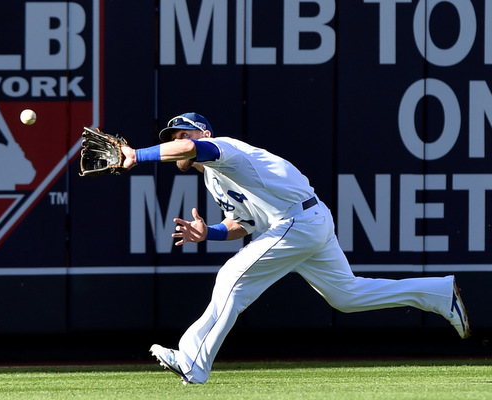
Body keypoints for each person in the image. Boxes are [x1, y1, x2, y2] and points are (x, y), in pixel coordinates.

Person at [120, 112, 470, 385]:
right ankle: (438, 293)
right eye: (172, 136)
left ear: (205, 134)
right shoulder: (214, 178)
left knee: (232, 276)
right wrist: (208, 233)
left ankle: (193, 360)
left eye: (184, 132)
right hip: (305, 221)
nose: (178, 140)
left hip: (298, 220)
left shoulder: (224, 148)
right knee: (346, 296)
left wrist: (137, 154)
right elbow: (244, 224)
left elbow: (190, 149)